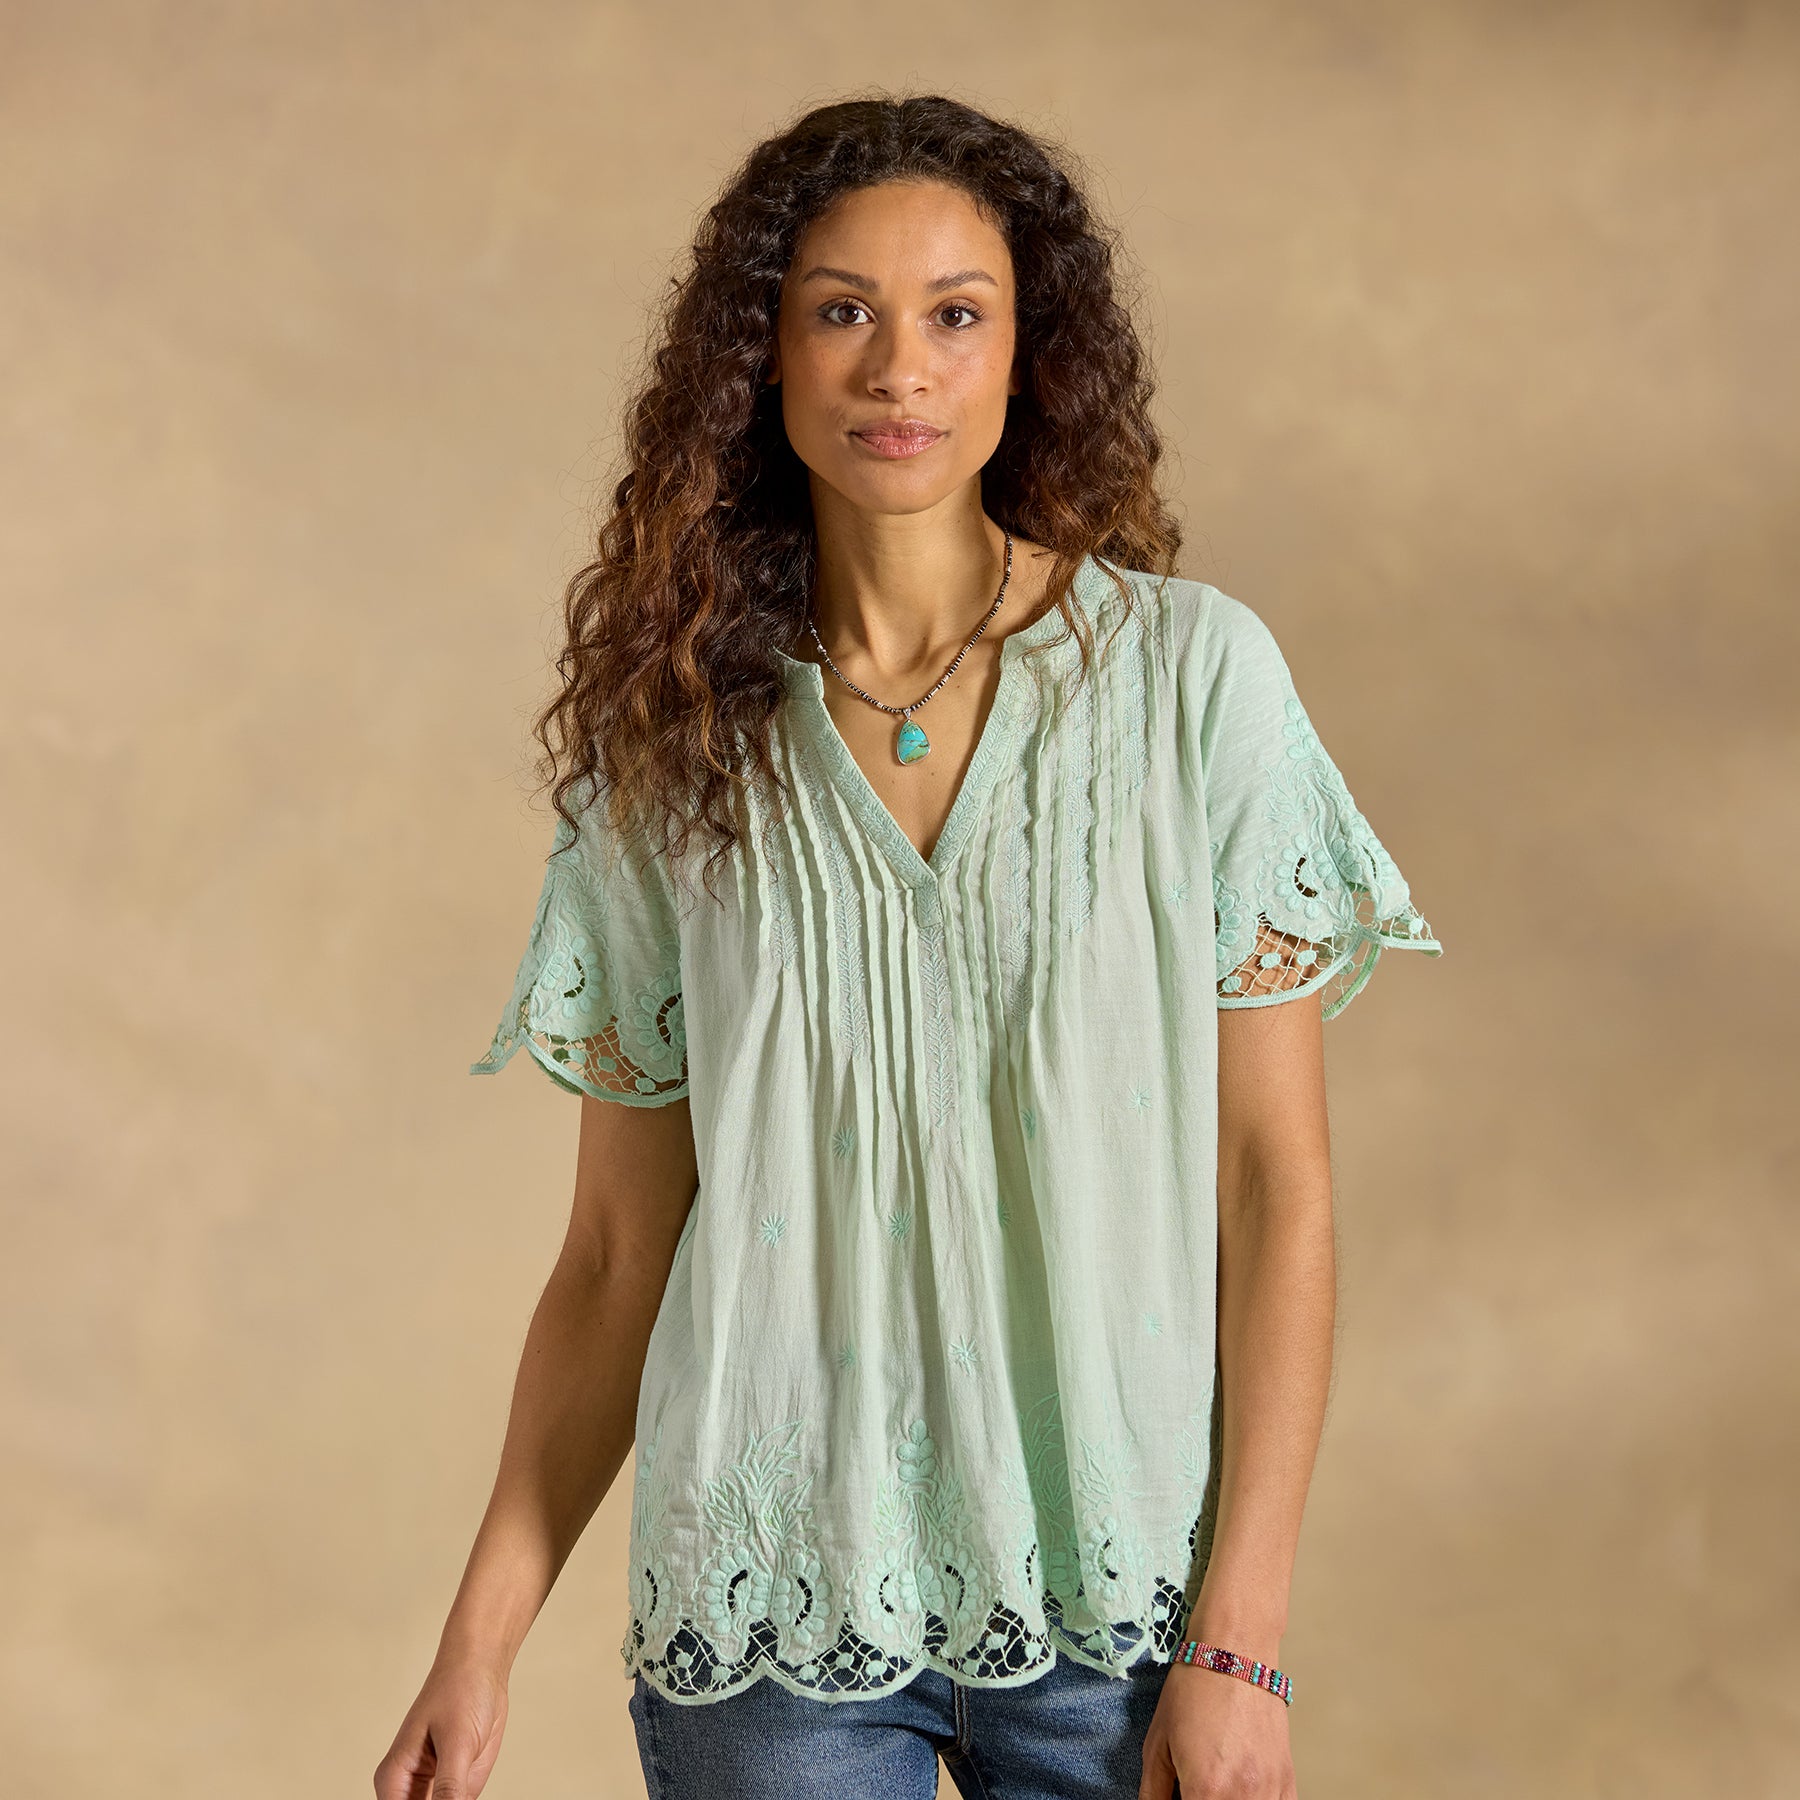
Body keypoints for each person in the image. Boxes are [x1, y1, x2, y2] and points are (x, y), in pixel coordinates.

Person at [374, 92, 1442, 1800]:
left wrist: (1240, 1638)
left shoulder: (1193, 681)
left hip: (1126, 1619)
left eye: (955, 314)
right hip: (769, 1618)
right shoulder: (673, 746)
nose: (898, 370)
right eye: (840, 311)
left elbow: (1274, 1187)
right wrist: (478, 1639)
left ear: (1028, 358)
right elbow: (613, 1256)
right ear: (763, 358)